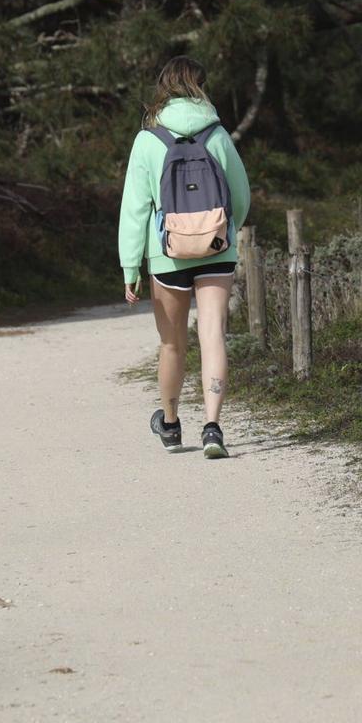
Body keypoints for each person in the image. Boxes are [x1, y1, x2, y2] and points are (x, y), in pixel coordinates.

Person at [118, 57, 251, 459]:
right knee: (212, 336)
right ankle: (213, 428)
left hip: (168, 256)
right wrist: (222, 234)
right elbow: (240, 197)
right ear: (200, 86)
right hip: (216, 251)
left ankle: (172, 424)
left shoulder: (147, 140)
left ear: (164, 88)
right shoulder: (218, 134)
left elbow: (135, 208)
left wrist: (130, 266)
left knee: (172, 344)